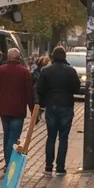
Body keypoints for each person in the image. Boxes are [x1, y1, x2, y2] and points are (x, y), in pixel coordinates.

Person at [36, 47, 81, 176]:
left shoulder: (46, 70)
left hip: (51, 104)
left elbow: (40, 88)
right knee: (63, 137)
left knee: (51, 137)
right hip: (66, 105)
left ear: (53, 56)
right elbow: (76, 88)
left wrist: (43, 102)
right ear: (65, 56)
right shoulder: (71, 71)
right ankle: (60, 167)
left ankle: (48, 166)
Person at [0, 49, 35, 167]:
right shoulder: (24, 72)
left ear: (8, 56)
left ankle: (7, 162)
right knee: (14, 137)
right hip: (18, 110)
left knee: (7, 135)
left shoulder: (0, 70)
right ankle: (10, 164)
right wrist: (33, 110)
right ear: (18, 58)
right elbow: (29, 93)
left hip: (4, 109)